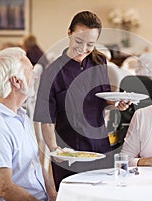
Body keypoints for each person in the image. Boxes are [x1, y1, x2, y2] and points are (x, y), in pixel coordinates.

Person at [33, 11, 129, 191]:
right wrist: (55, 149)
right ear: (69, 33)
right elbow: (46, 121)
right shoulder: (52, 73)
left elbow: (102, 98)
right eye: (78, 41)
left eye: (90, 44)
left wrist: (116, 103)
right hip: (70, 153)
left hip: (100, 147)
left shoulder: (99, 61)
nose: (83, 48)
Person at [0, 47, 56, 200]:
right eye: (31, 71)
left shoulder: (21, 115)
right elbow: (4, 188)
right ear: (16, 81)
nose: (35, 76)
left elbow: (36, 166)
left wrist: (54, 196)